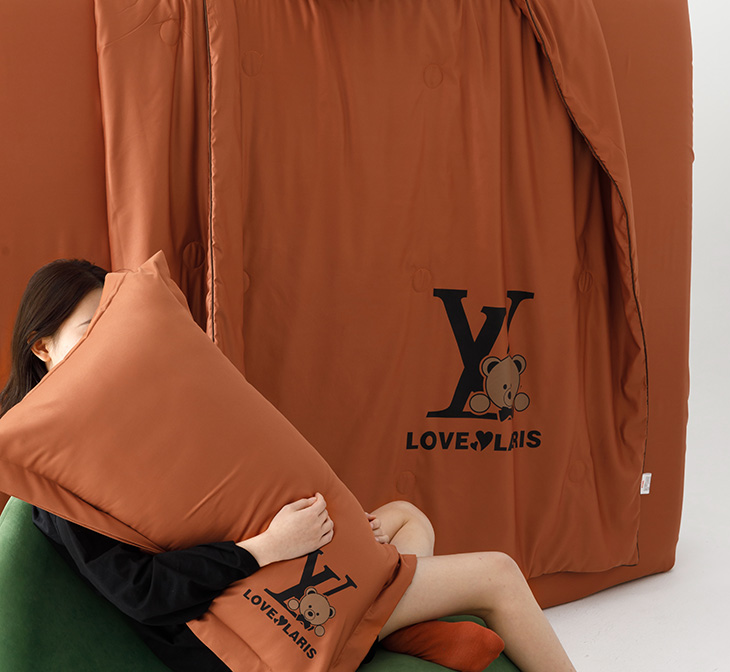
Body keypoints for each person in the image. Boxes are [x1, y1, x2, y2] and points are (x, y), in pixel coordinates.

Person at [0, 259, 577, 672]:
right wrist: (267, 548)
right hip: (236, 629)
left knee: (405, 516)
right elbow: (143, 593)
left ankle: (395, 630)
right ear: (42, 347)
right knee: (498, 574)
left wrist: (333, 538)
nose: (107, 350)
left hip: (267, 573)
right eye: (87, 333)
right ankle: (387, 628)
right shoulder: (63, 470)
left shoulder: (140, 416)